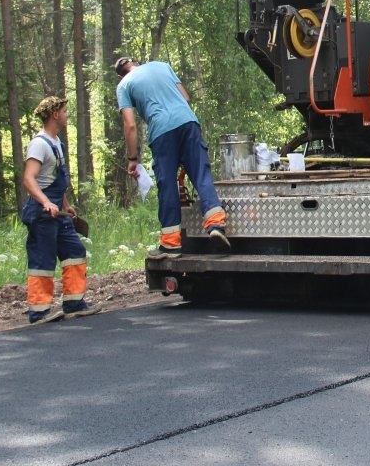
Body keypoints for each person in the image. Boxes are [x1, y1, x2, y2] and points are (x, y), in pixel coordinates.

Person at [115, 57, 230, 258]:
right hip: (187, 122)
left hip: (161, 131)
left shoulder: (124, 85)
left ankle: (171, 244)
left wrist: (132, 158)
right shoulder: (162, 66)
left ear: (120, 74)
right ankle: (216, 225)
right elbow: (185, 97)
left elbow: (130, 125)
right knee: (201, 174)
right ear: (137, 62)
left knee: (168, 185)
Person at [21, 96, 99, 323]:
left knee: (75, 251)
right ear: (55, 115)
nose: (67, 114)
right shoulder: (39, 144)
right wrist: (46, 202)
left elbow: (55, 180)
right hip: (41, 212)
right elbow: (29, 178)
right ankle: (39, 311)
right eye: (64, 111)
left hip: (58, 211)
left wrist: (65, 205)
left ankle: (74, 303)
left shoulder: (57, 143)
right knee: (43, 260)